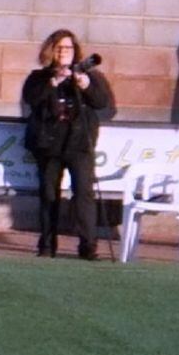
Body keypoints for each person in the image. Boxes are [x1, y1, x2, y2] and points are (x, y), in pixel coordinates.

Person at [22, 29, 111, 260]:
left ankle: (87, 246)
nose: (64, 52)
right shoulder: (38, 77)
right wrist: (54, 82)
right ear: (51, 51)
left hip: (79, 144)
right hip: (49, 144)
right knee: (49, 194)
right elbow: (31, 98)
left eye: (68, 48)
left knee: (83, 193)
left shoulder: (89, 75)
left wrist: (85, 85)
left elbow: (102, 102)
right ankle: (47, 245)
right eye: (59, 48)